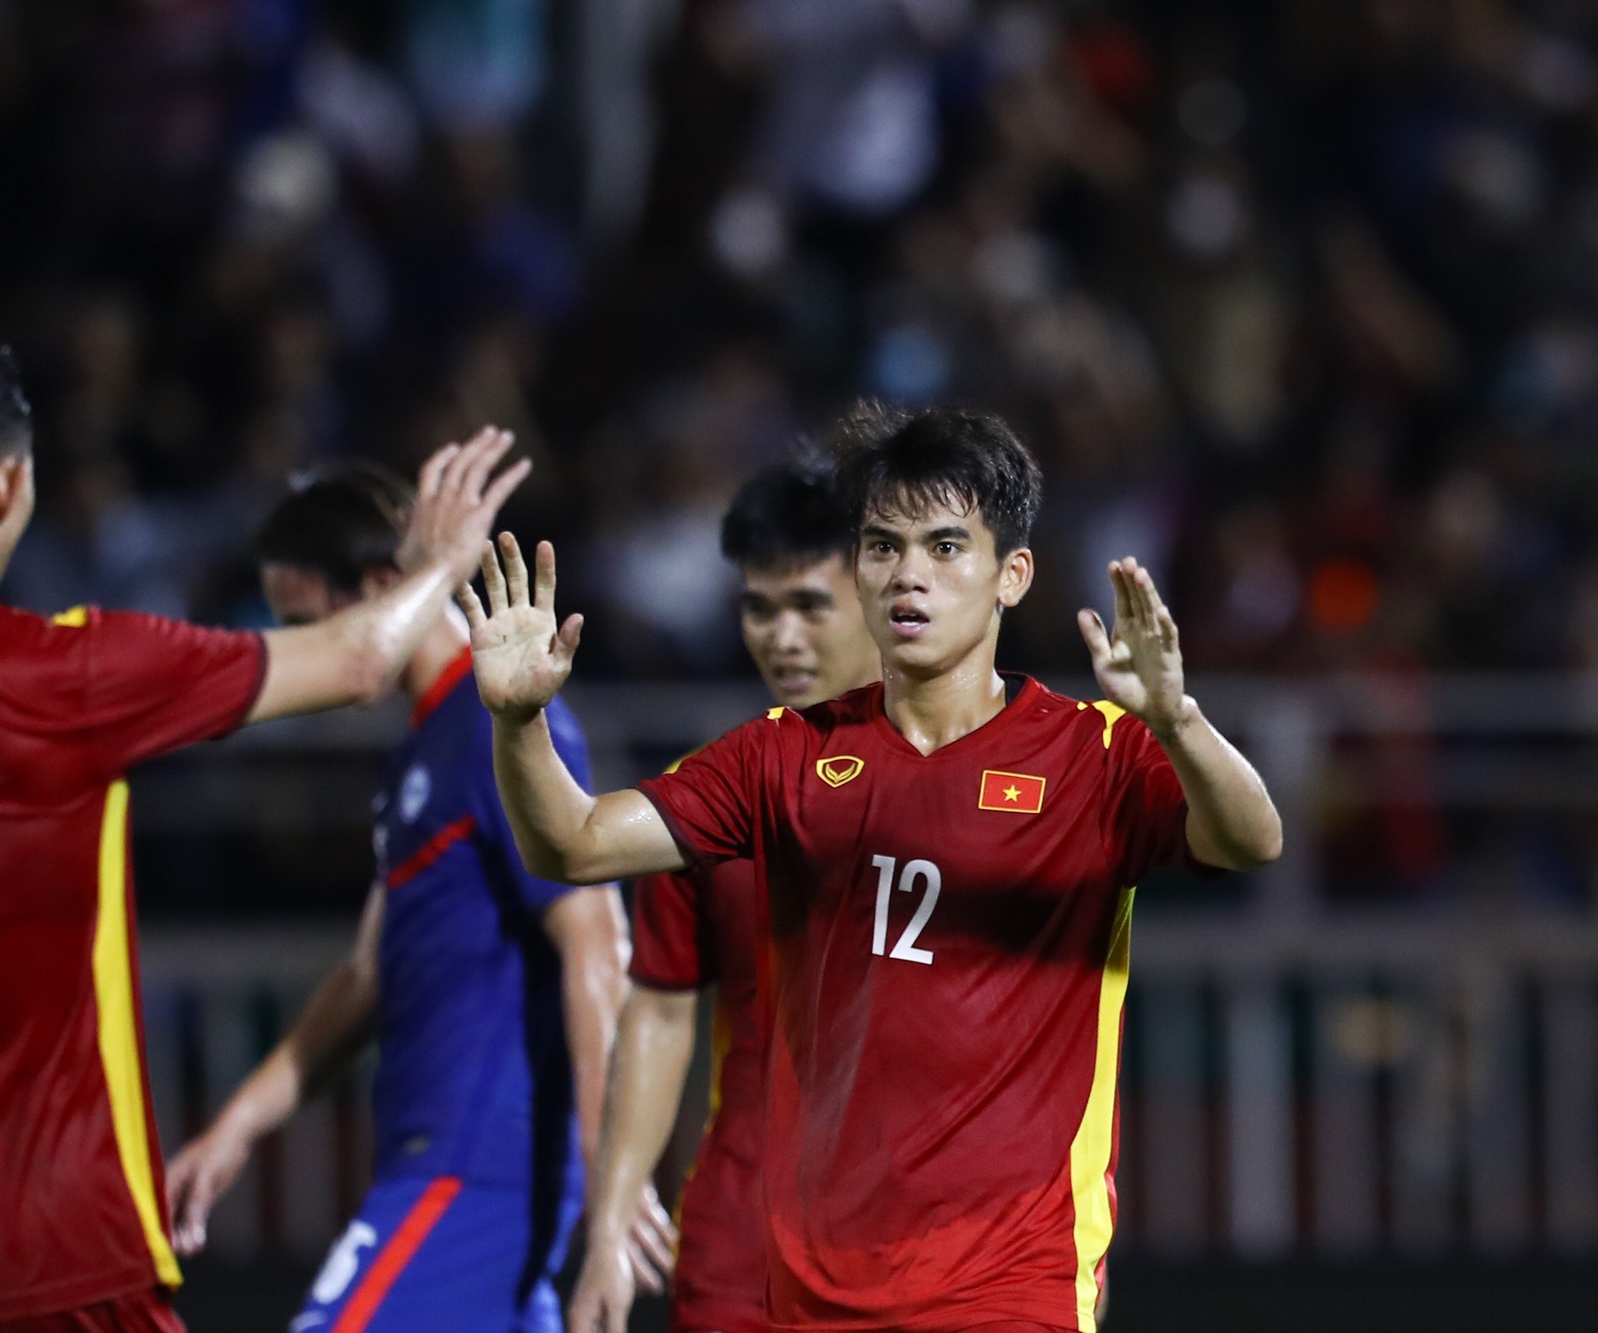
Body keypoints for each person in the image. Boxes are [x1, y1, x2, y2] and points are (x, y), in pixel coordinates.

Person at [0, 314, 529, 1333]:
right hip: (61, 1261)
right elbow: (355, 660)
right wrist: (436, 561)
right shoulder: (65, 668)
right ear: (8, 487)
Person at [460, 404, 1284, 1333]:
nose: (909, 575)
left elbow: (1252, 838)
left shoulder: (1091, 755)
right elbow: (569, 843)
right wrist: (519, 722)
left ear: (1012, 576)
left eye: (944, 547)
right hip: (813, 1290)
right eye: (883, 547)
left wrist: (1178, 722)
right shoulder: (783, 756)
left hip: (1013, 1283)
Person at [162, 464, 672, 1333]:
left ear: (377, 590)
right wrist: (237, 1126)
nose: (295, 656)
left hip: (479, 1164)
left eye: (301, 623)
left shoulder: (497, 725)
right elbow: (368, 974)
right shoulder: (420, 750)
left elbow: (594, 938)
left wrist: (609, 1172)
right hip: (442, 1162)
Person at [570, 460, 880, 1333]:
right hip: (742, 1249)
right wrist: (610, 1217)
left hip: (922, 1254)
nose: (781, 636)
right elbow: (662, 1011)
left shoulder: (968, 788)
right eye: (759, 607)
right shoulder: (699, 802)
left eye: (809, 605)